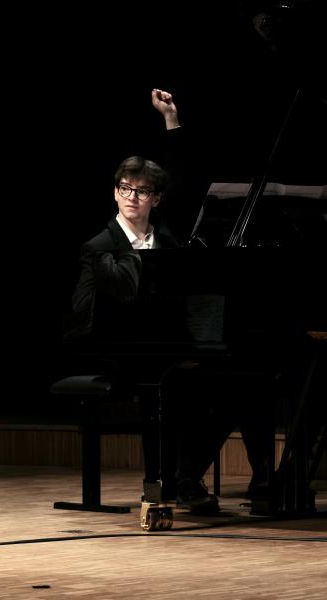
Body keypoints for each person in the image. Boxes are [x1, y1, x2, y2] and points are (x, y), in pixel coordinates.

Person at [63, 89, 275, 514]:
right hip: (121, 350)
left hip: (171, 347)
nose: (132, 197)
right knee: (190, 387)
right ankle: (182, 479)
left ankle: (238, 479)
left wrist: (171, 121)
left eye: (143, 192)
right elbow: (122, 299)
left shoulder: (169, 237)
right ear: (115, 192)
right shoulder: (100, 246)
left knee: (243, 387)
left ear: (155, 199)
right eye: (125, 188)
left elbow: (183, 179)